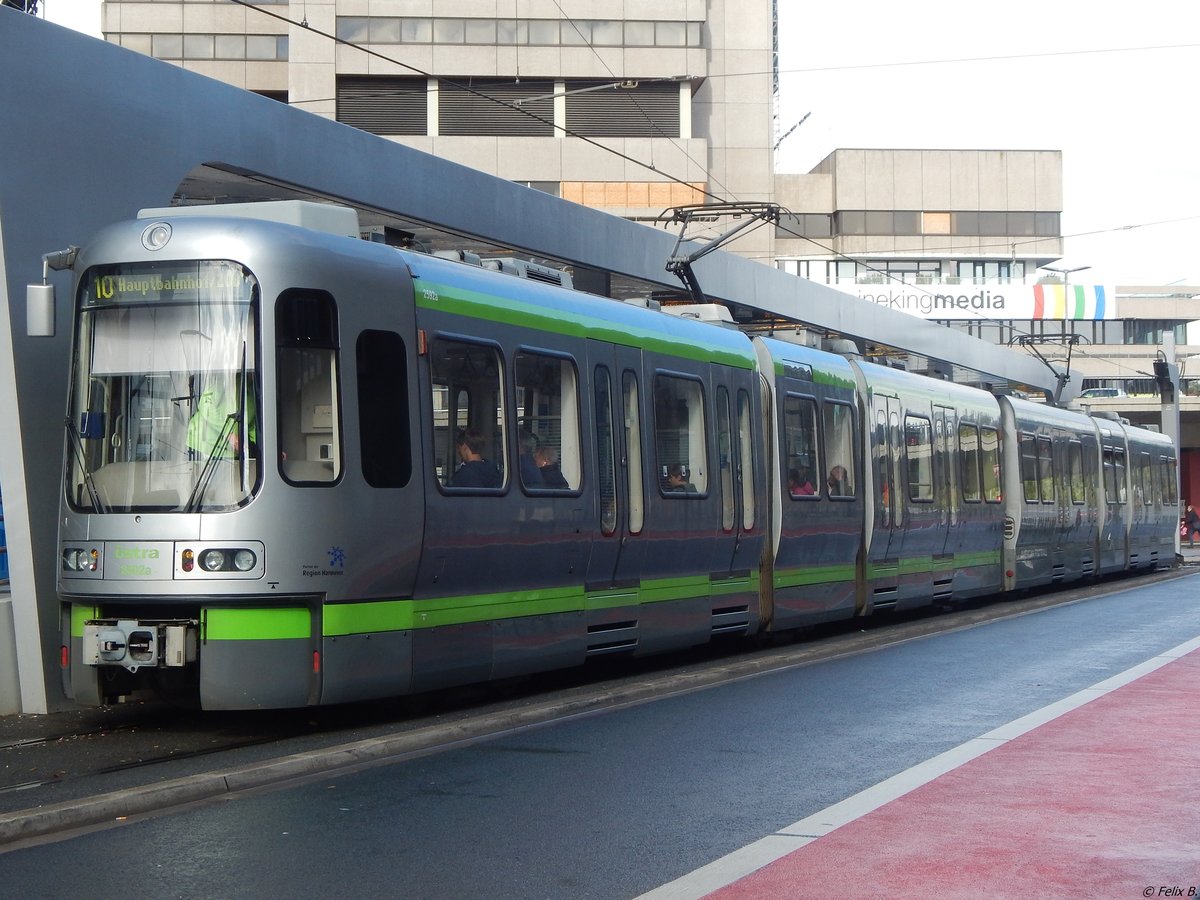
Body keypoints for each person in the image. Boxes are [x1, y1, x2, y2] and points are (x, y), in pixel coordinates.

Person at [187, 377, 257, 459]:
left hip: (228, 453)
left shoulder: (253, 394)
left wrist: (261, 446)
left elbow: (252, 425)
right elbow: (206, 405)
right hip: (202, 444)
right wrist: (229, 434)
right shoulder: (228, 380)